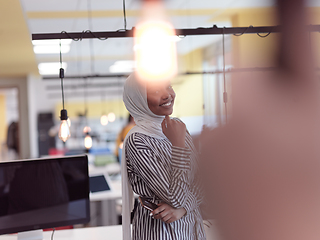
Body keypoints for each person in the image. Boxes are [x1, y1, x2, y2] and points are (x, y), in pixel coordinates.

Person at [121, 73, 206, 240]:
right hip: (160, 231)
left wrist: (183, 209)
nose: (167, 94)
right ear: (139, 99)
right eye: (155, 91)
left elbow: (203, 181)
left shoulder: (178, 127)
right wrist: (178, 146)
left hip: (190, 226)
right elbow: (174, 197)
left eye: (168, 86)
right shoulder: (137, 140)